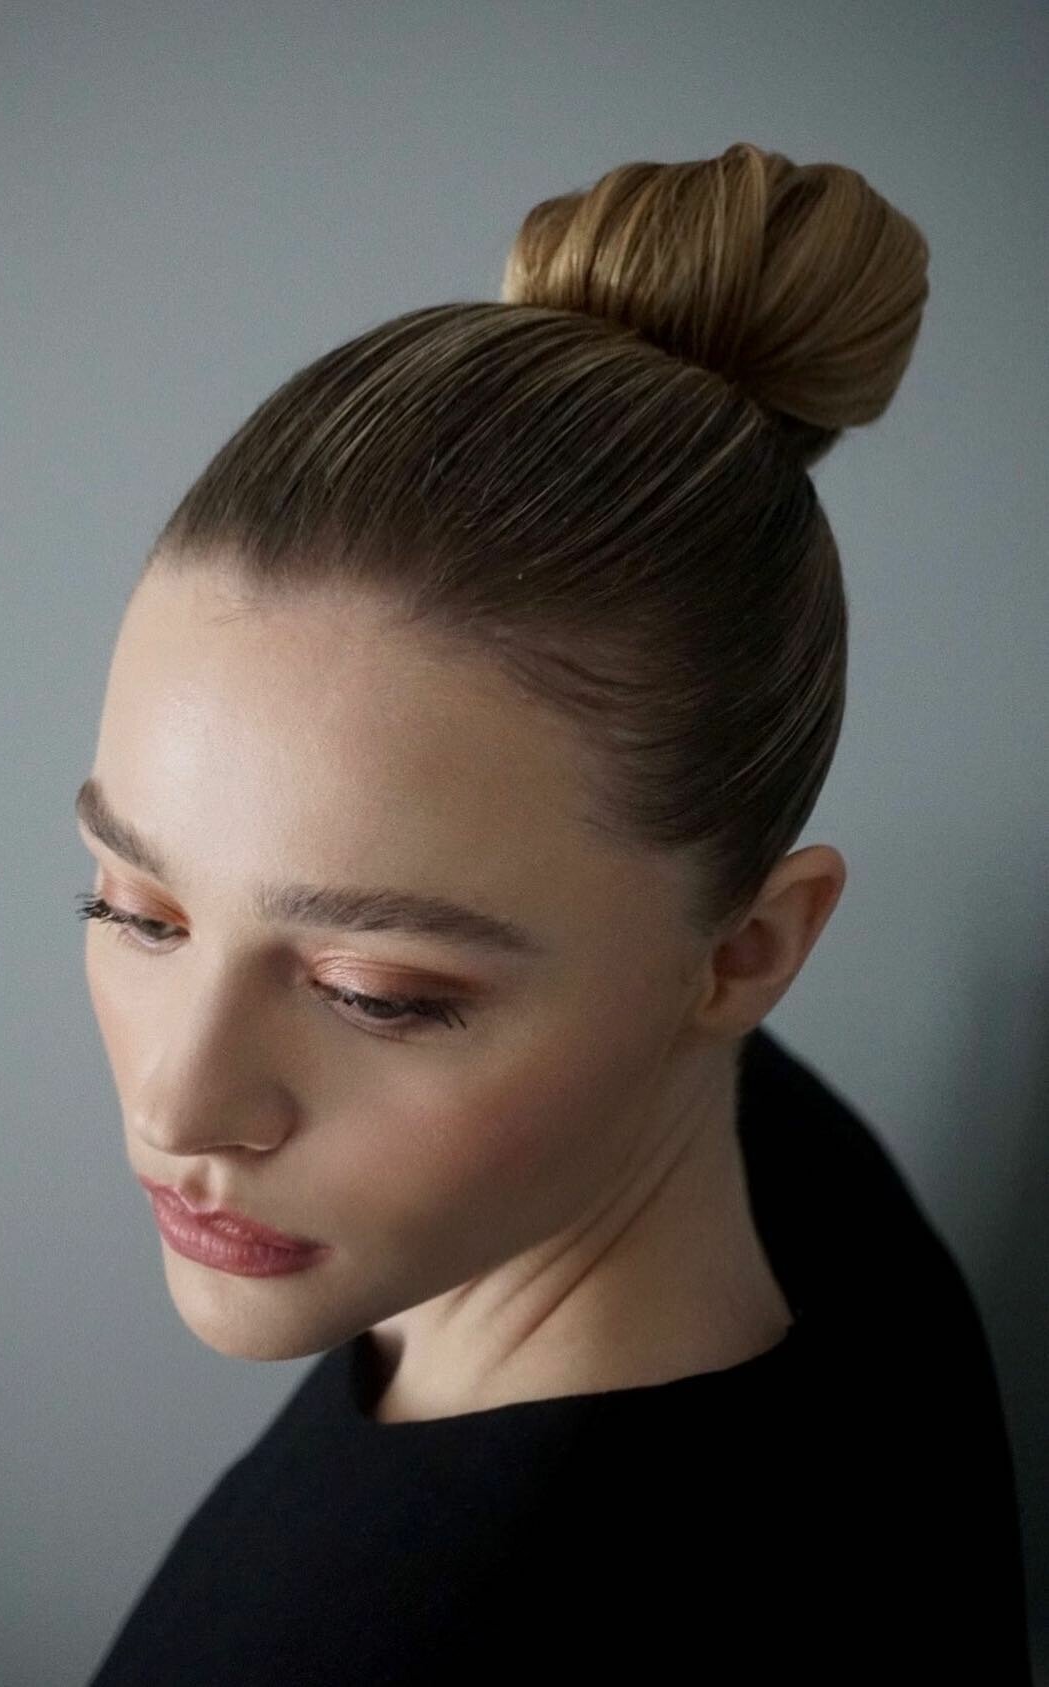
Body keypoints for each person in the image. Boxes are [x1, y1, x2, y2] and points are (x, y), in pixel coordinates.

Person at [74, 141, 1032, 1681]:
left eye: (378, 993)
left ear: (747, 953)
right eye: (137, 910)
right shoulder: (772, 1158)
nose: (175, 1105)